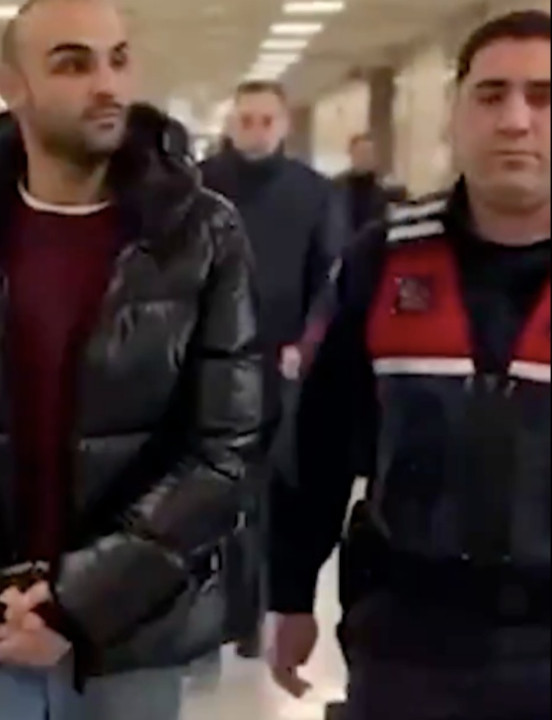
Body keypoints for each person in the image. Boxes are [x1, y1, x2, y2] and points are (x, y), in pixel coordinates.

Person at [0, 1, 261, 718]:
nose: (107, 84)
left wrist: (78, 603)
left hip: (129, 634)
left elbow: (224, 447)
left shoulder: (201, 233)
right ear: (14, 87)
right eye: (73, 64)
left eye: (118, 59)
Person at [268, 10, 550, 720]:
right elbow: (318, 441)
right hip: (410, 642)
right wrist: (291, 591)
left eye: (544, 97)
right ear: (455, 114)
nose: (516, 120)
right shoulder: (381, 260)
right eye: (491, 95)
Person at [198, 79, 349, 658]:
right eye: (246, 120)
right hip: (207, 360)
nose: (256, 131)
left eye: (266, 120)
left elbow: (328, 278)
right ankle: (209, 609)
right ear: (230, 123)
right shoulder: (201, 185)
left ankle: (249, 615)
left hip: (278, 364)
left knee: (265, 494)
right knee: (210, 486)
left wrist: (306, 346)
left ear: (283, 126)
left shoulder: (313, 193)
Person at [336, 132, 394, 235]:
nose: (366, 157)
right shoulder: (338, 186)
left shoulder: (379, 191)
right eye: (361, 153)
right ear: (352, 155)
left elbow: (382, 224)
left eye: (369, 153)